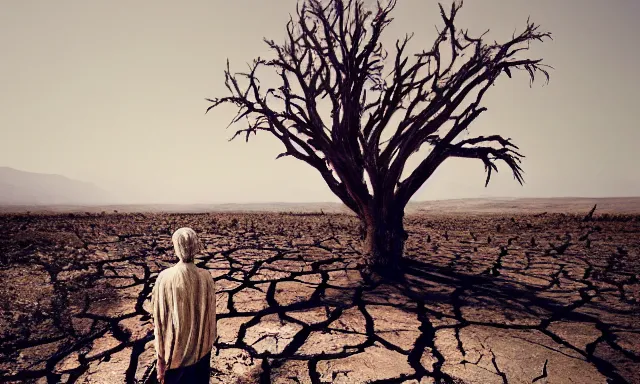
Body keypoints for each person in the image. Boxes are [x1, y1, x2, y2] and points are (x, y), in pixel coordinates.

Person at [151, 227, 217, 384]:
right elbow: (210, 317)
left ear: (176, 248)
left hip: (176, 357)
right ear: (196, 246)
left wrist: (160, 360)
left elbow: (161, 323)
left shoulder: (165, 278)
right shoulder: (206, 277)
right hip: (202, 353)